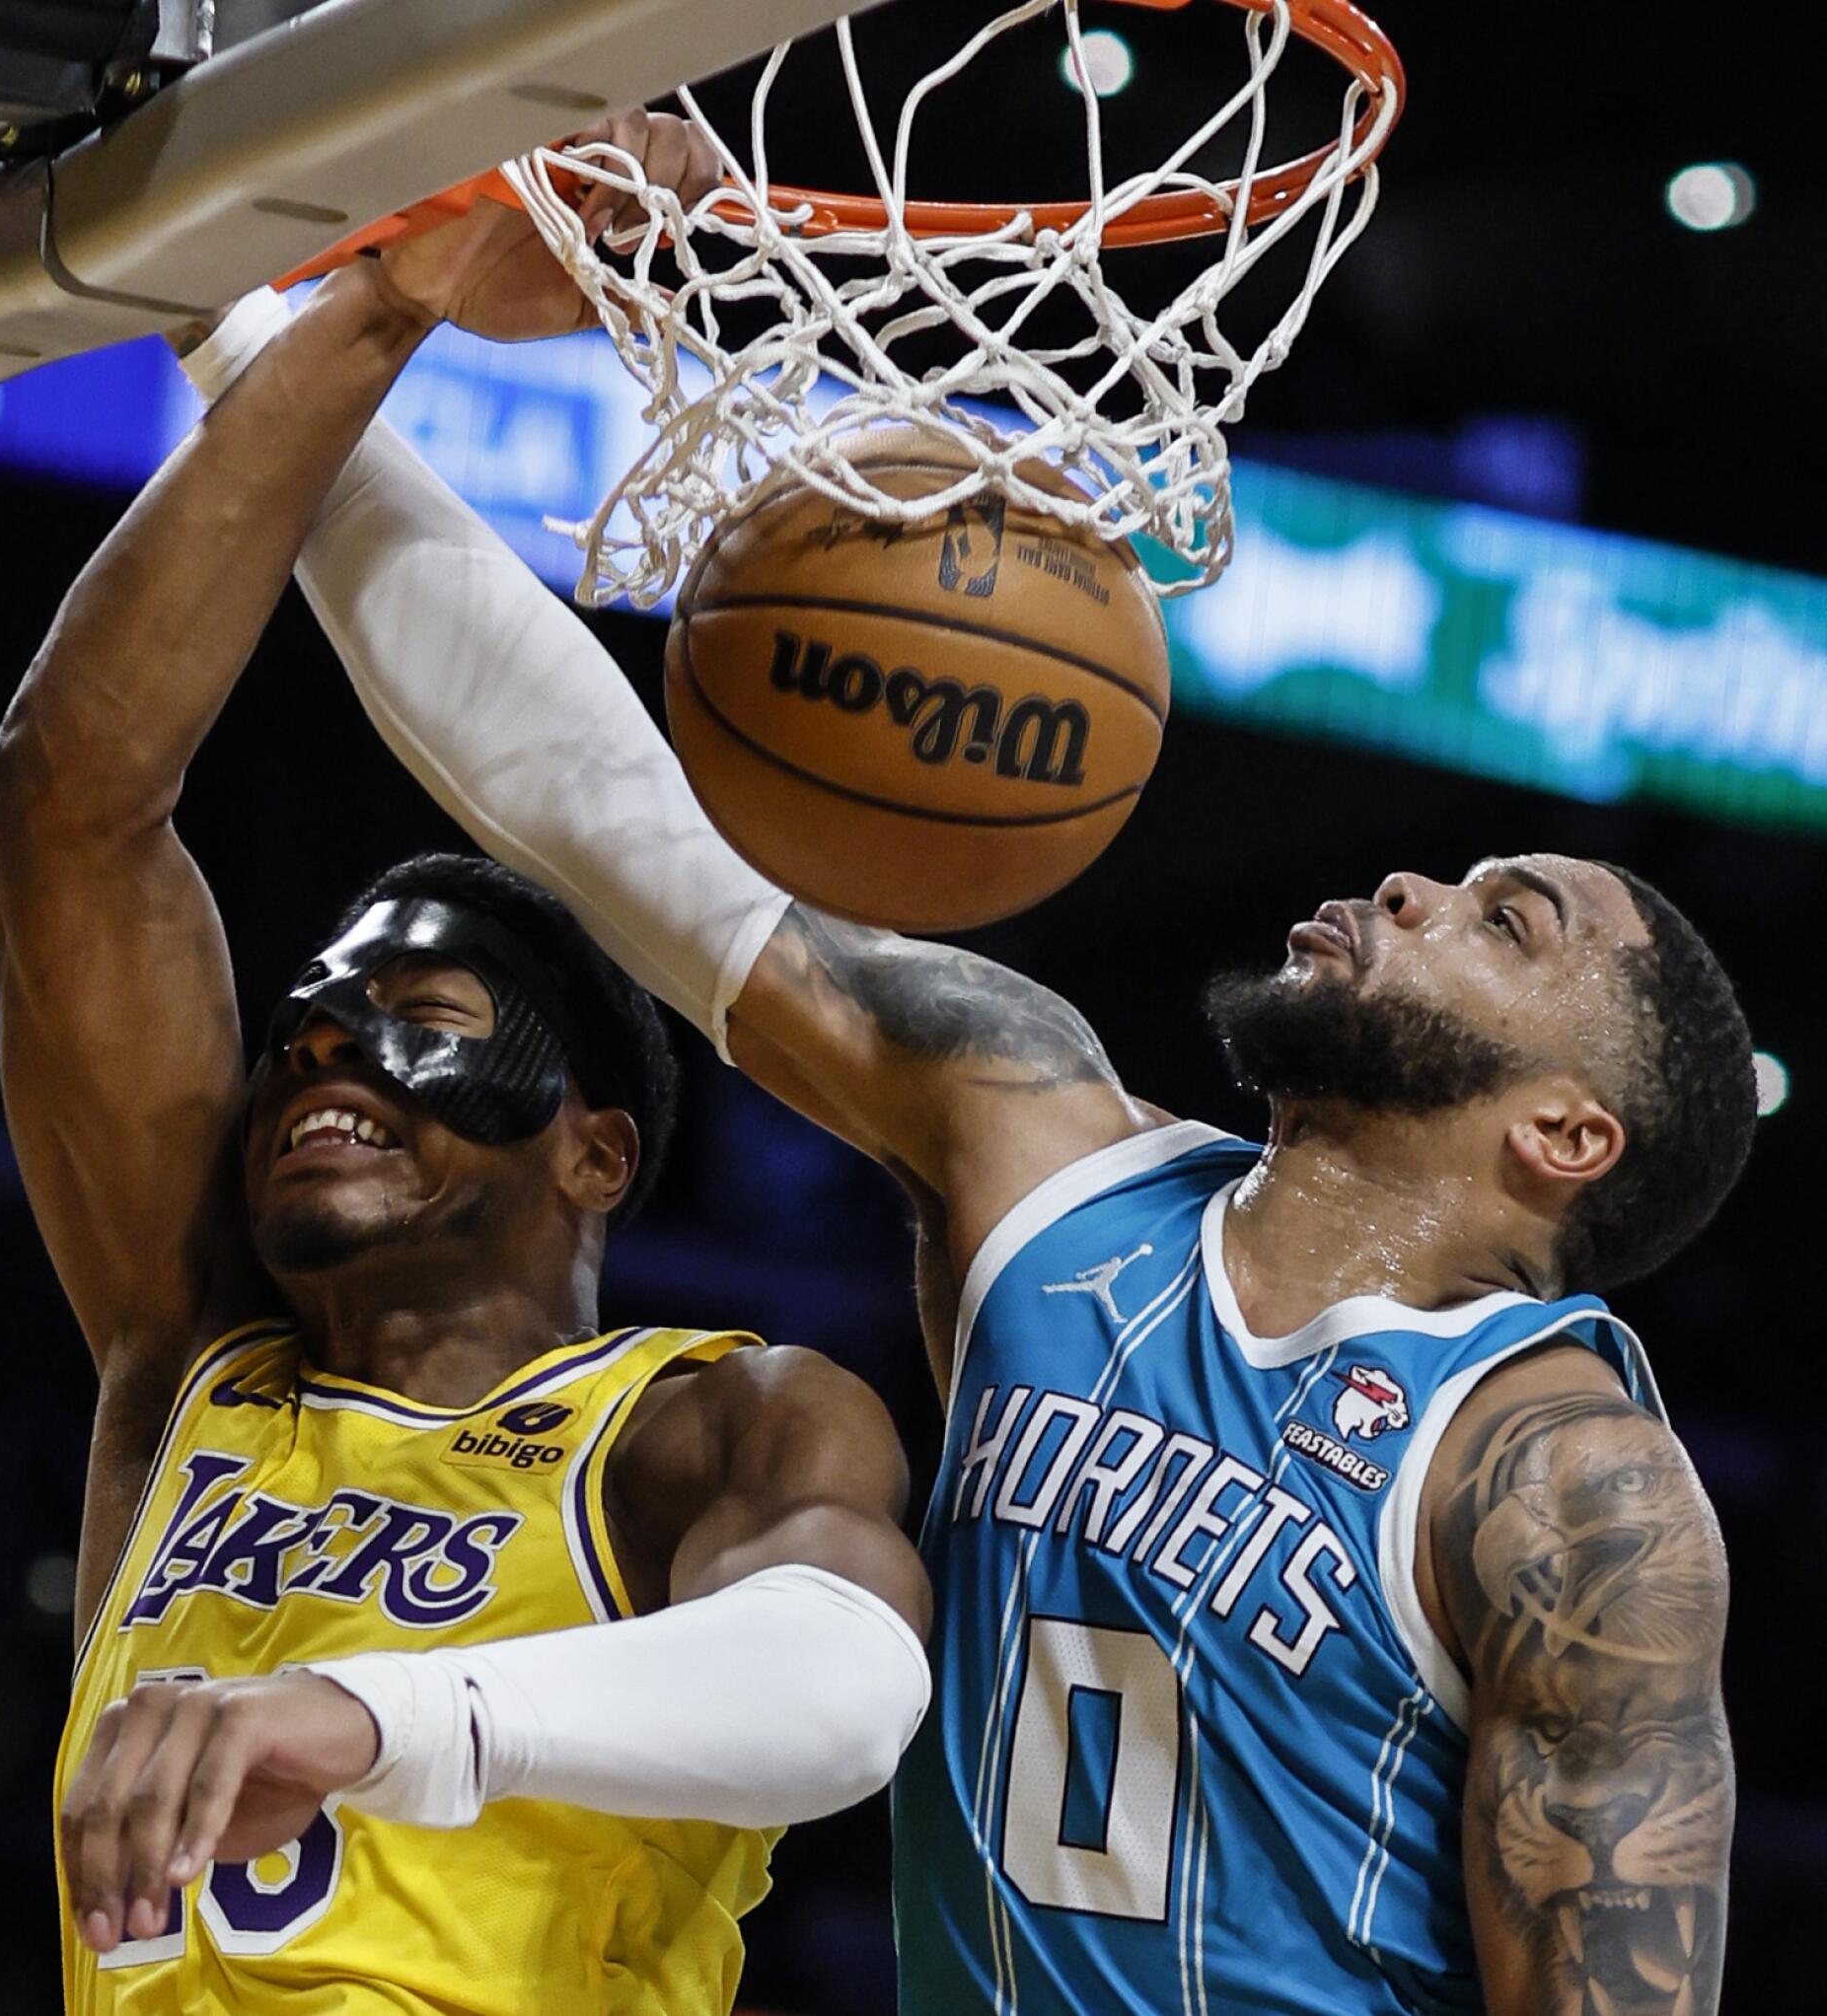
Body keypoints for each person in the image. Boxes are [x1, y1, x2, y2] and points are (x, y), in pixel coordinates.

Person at [183, 174, 1751, 2015]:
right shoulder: (1041, 1153)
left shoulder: (1570, 1482)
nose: (1415, 888)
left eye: (1508, 921)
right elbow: (591, 802)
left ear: (1567, 1135)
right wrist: (240, 320)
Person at [0, 112, 932, 2016]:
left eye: (420, 1031)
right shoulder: (190, 1366)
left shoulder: (710, 1424)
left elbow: (844, 1693)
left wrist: (376, 1712)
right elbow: (71, 800)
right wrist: (379, 302)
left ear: (596, 1154)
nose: (328, 1059)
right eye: (308, 1033)